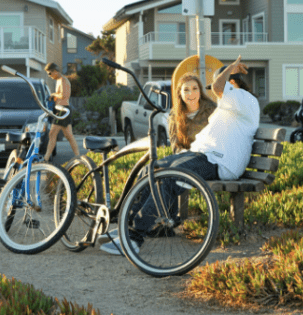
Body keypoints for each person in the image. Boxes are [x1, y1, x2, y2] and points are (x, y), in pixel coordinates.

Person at [101, 55, 260, 255]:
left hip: (218, 162)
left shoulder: (243, 98)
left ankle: (134, 238)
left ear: (233, 82)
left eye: (217, 87)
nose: (216, 94)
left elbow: (220, 87)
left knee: (168, 178)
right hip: (205, 155)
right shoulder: (234, 104)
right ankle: (128, 225)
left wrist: (229, 69)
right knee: (152, 169)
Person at [169, 73, 216, 154]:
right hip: (186, 159)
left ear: (200, 91)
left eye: (195, 88)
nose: (191, 93)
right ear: (180, 93)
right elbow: (175, 146)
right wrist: (186, 154)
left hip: (209, 157)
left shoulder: (212, 109)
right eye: (186, 90)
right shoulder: (174, 115)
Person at [43, 62, 79, 162]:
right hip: (60, 109)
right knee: (68, 135)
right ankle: (78, 156)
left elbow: (64, 96)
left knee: (52, 134)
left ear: (55, 71)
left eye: (50, 73)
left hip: (63, 110)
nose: (49, 76)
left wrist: (53, 95)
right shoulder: (58, 80)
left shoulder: (63, 80)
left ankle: (46, 158)